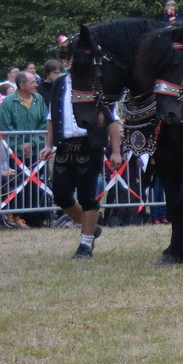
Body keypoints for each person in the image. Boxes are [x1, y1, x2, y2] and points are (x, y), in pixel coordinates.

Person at [42, 51, 120, 258]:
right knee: (61, 195)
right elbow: (52, 116)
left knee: (87, 195)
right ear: (66, 61)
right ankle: (91, 228)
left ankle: (85, 245)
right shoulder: (59, 83)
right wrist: (48, 145)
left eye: (75, 58)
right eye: (69, 58)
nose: (72, 62)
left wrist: (117, 151)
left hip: (90, 143)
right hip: (65, 145)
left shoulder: (96, 81)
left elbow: (112, 118)